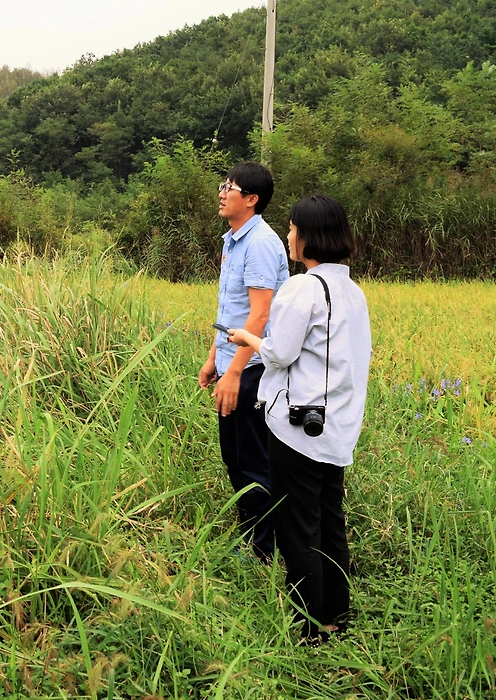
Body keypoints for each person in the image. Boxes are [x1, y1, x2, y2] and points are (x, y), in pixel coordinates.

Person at [227, 194, 371, 640]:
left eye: (291, 228)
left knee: (298, 526)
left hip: (297, 428)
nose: (288, 236)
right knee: (330, 520)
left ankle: (309, 625)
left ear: (308, 236)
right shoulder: (353, 292)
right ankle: (336, 615)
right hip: (336, 427)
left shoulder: (302, 288)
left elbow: (279, 353)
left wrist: (247, 337)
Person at [198, 162, 290, 561]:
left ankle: (263, 548)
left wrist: (234, 372)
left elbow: (260, 315)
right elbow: (229, 310)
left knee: (253, 460)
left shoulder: (261, 244)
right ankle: (251, 535)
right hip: (231, 364)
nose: (222, 193)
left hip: (252, 370)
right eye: (223, 185)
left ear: (251, 199)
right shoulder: (234, 240)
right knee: (234, 457)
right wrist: (213, 359)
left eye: (229, 187)